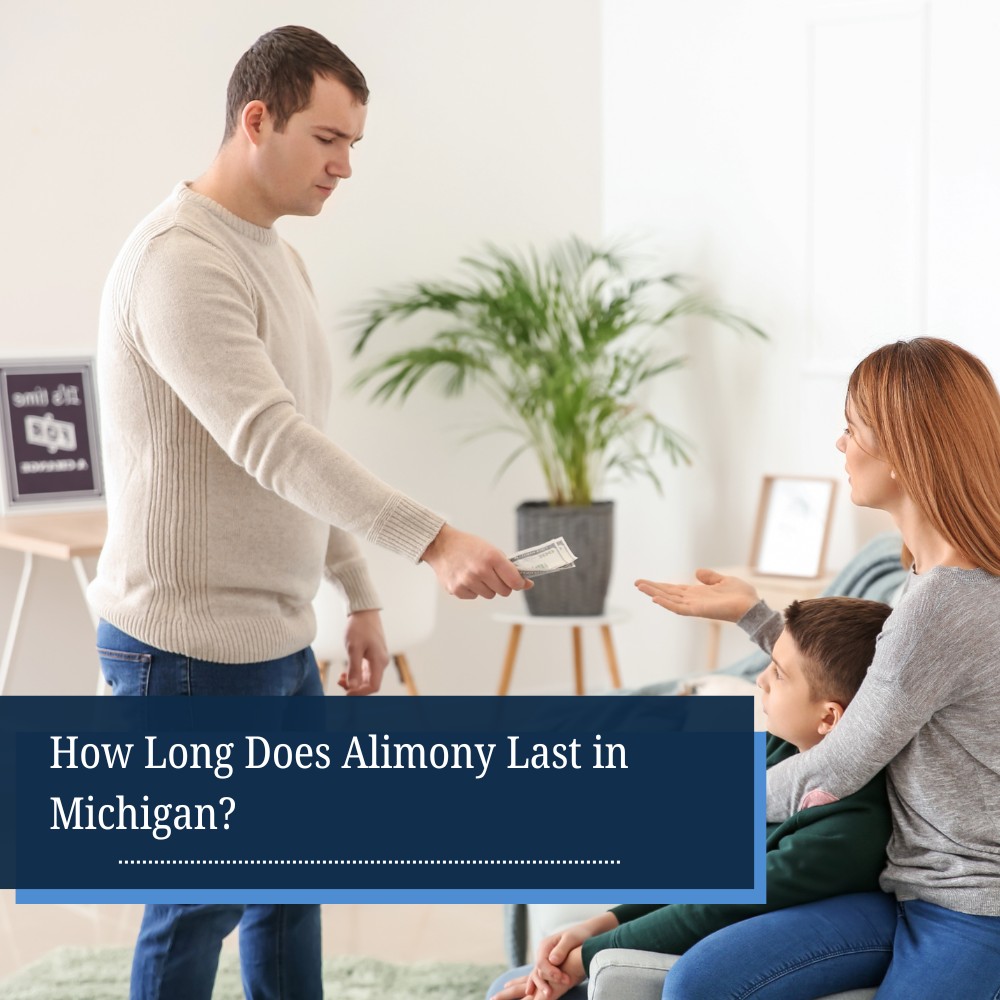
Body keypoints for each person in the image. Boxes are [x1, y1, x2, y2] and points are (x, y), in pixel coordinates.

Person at [87, 25, 530, 1000]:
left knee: (288, 886)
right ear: (257, 119)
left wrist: (357, 592)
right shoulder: (179, 260)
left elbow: (300, 443)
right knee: (197, 895)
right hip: (182, 650)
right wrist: (431, 539)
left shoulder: (273, 254)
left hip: (271, 637)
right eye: (328, 139)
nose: (344, 166)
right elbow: (270, 440)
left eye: (354, 145)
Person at [639, 337, 1000, 999]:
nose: (841, 445)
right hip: (902, 885)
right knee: (701, 981)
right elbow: (879, 698)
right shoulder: (930, 578)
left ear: (903, 447)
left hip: (973, 908)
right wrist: (757, 618)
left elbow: (839, 763)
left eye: (851, 428)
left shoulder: (945, 601)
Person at [487, 595, 894, 1000]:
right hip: (696, 930)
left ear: (828, 717)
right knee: (500, 987)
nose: (761, 680)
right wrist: (600, 924)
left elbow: (713, 908)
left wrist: (581, 959)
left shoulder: (848, 831)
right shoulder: (786, 750)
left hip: (715, 950)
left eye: (779, 674)